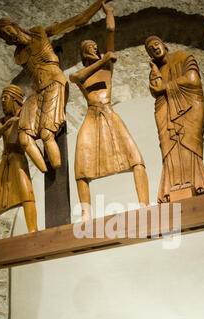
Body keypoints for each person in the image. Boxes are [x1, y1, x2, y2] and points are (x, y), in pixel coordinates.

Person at [0, 0, 114, 173]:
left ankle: (55, 169)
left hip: (53, 82)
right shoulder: (18, 55)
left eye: (8, 30)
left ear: (15, 25)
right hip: (36, 91)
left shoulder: (39, 34)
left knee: (46, 133)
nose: (10, 36)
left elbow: (78, 20)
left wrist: (99, 3)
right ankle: (46, 171)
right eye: (5, 36)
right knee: (24, 136)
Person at [70, 1, 149, 221]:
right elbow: (76, 78)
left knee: (135, 158)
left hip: (109, 114)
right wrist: (101, 60)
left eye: (96, 48)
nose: (95, 50)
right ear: (85, 54)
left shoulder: (107, 68)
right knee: (81, 166)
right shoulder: (86, 72)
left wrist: (109, 13)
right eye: (90, 49)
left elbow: (111, 32)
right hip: (91, 117)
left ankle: (143, 203)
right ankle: (86, 212)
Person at [145, 36, 204, 203]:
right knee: (170, 148)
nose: (155, 49)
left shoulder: (182, 56)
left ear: (163, 44)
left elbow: (193, 80)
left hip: (189, 106)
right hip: (165, 111)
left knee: (188, 143)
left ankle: (197, 182)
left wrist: (166, 87)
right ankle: (171, 188)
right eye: (151, 49)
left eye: (156, 44)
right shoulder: (156, 70)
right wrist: (155, 69)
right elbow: (155, 91)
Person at [0, 85, 37, 243]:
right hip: (4, 160)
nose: (3, 102)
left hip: (17, 158)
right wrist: (6, 126)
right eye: (2, 99)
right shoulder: (3, 121)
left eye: (6, 99)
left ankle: (32, 229)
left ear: (15, 100)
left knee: (26, 192)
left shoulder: (24, 115)